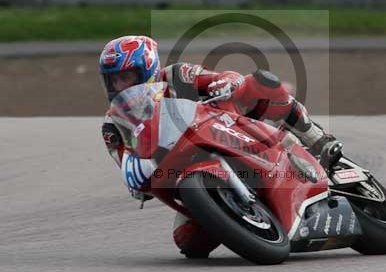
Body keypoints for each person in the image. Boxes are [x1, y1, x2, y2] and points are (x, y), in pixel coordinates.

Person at [98, 35, 342, 258]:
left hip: (228, 131)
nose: (120, 85)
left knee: (259, 84)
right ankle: (245, 220)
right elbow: (124, 158)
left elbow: (225, 77)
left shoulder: (178, 75)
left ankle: (316, 137)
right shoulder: (114, 124)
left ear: (147, 69)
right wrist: (136, 181)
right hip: (182, 172)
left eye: (126, 76)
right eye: (113, 79)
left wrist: (226, 84)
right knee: (189, 242)